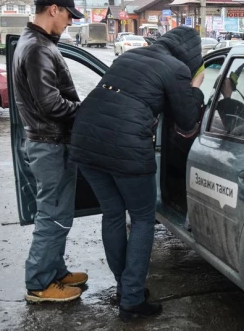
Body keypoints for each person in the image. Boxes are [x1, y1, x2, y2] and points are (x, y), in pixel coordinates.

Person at [69, 26, 205, 322]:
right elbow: (188, 121)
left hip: (84, 140)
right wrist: (195, 88)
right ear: (191, 54)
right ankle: (132, 300)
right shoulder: (178, 69)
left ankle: (124, 288)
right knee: (143, 218)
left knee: (113, 213)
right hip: (127, 148)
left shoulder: (130, 56)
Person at [12, 0, 87, 303]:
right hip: (50, 143)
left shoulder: (35, 42)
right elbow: (50, 104)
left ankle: (55, 270)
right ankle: (40, 283)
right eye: (69, 15)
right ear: (53, 9)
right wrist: (85, 110)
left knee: (58, 212)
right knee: (52, 214)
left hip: (49, 141)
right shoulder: (38, 47)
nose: (70, 22)